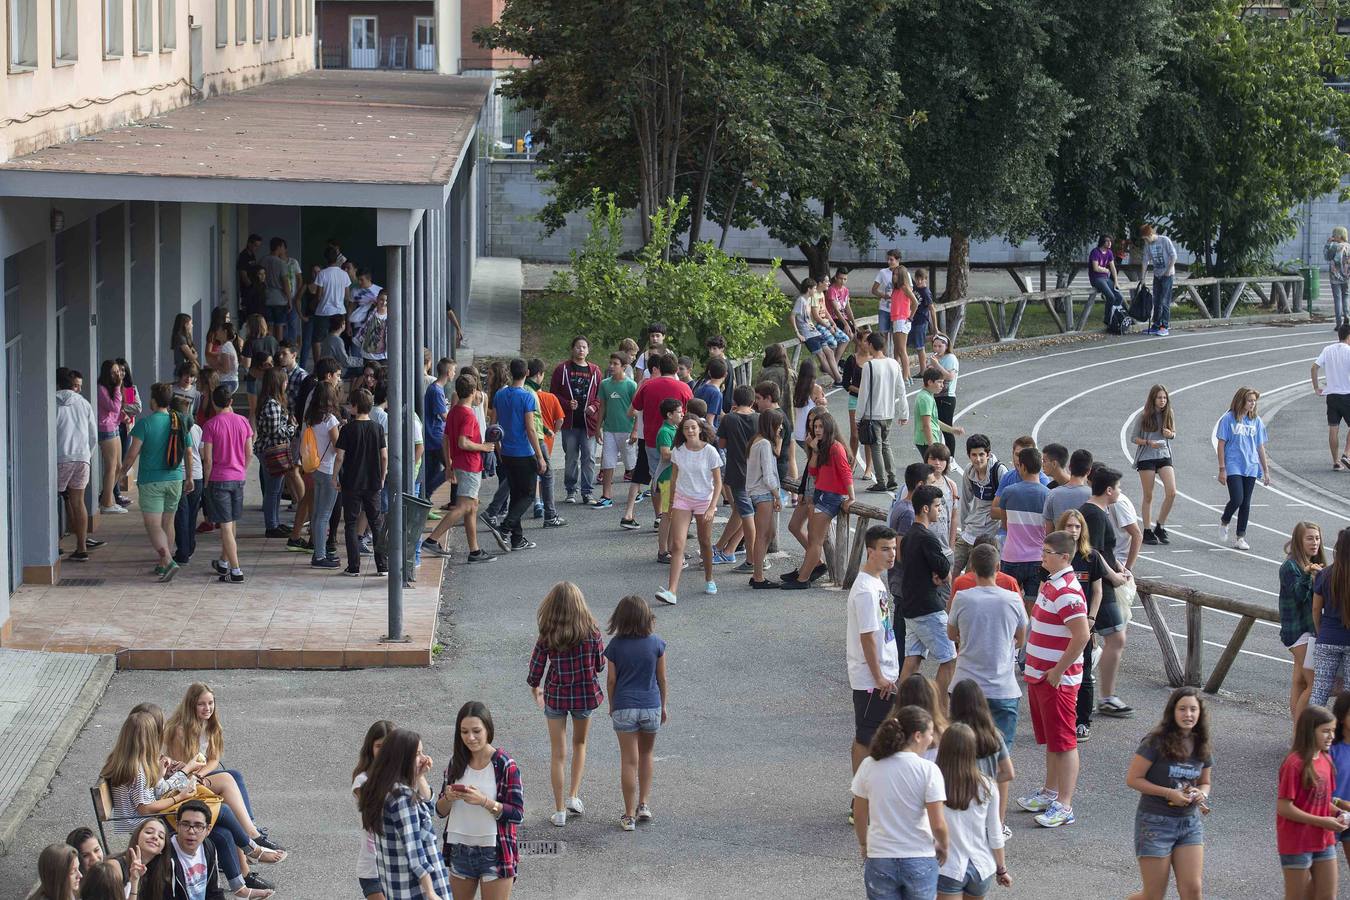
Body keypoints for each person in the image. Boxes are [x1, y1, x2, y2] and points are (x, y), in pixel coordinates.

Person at [1017, 530, 1091, 830]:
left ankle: (1065, 803)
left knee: (1064, 741)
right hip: (1040, 675)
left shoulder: (1068, 591)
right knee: (1051, 738)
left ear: (1064, 556)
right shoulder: (1051, 583)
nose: (1042, 555)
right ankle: (1050, 792)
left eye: (1048, 551)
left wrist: (1058, 670)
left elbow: (1082, 635)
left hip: (1056, 680)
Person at [527, 582, 605, 825]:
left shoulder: (548, 632)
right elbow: (600, 665)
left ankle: (559, 810)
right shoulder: (592, 631)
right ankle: (573, 795)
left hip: (556, 695)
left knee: (557, 753)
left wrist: (535, 689)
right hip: (584, 695)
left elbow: (536, 669)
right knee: (579, 743)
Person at [850, 707, 948, 899]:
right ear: (918, 736)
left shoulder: (869, 765)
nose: (932, 739)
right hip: (919, 856)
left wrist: (864, 843)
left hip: (880, 856)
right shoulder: (928, 770)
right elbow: (938, 823)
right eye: (930, 733)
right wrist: (944, 845)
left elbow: (860, 813)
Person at [1125, 686, 1211, 900]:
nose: (1188, 714)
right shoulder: (1155, 741)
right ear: (1173, 711)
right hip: (1155, 823)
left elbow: (1205, 782)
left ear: (1200, 713)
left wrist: (1202, 794)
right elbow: (1133, 779)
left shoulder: (1201, 744)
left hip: (1189, 824)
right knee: (1153, 895)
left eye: (1193, 709)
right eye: (1182, 709)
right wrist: (1168, 793)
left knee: (1193, 890)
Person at [434, 702, 524, 898]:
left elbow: (517, 814)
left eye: (476, 731)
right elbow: (440, 811)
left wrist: (484, 801)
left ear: (488, 729)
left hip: (494, 851)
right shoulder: (456, 762)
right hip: (459, 849)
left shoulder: (504, 764)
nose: (470, 737)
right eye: (464, 732)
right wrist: (448, 797)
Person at [948, 544, 1027, 749]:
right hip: (1003, 688)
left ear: (972, 568)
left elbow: (951, 633)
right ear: (998, 567)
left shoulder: (962, 598)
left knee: (964, 753)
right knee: (1000, 757)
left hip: (965, 685)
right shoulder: (1012, 599)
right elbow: (1021, 637)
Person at [357, 729, 450, 900]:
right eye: (417, 754)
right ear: (401, 759)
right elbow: (414, 851)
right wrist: (431, 892)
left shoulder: (382, 790)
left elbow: (427, 813)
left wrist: (419, 777)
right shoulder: (403, 798)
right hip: (418, 891)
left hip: (397, 888)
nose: (423, 758)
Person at [117, 383, 194, 582]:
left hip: (152, 481)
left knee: (153, 525)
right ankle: (163, 564)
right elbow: (188, 452)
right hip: (175, 479)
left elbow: (132, 455)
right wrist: (190, 477)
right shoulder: (178, 421)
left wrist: (121, 474)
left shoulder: (145, 424)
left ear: (154, 400)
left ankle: (167, 560)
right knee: (168, 522)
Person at [604, 595, 669, 832]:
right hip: (650, 705)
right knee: (647, 754)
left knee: (628, 761)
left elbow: (611, 680)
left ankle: (628, 815)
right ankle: (644, 804)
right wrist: (663, 705)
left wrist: (612, 704)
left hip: (624, 706)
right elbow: (661, 678)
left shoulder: (615, 646)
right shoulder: (656, 643)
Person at [848, 526, 901, 808]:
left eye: (893, 548)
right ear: (870, 551)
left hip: (883, 674)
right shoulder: (866, 590)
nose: (891, 554)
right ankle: (860, 802)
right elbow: (867, 637)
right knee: (866, 738)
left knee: (880, 736)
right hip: (872, 679)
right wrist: (879, 676)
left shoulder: (876, 582)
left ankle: (872, 796)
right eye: (885, 548)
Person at [422, 374, 500, 562]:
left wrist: (449, 464)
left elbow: (446, 438)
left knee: (471, 507)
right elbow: (463, 442)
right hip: (470, 465)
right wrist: (484, 447)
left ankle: (474, 551)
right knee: (464, 506)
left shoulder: (454, 411)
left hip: (458, 463)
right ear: (473, 392)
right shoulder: (468, 415)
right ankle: (432, 539)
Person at [1277, 706, 1350, 900]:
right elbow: (1284, 807)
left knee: (1328, 895)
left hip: (1323, 839)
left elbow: (1323, 802)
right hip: (1297, 841)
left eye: (1333, 730)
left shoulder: (1326, 759)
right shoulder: (1294, 763)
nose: (1331, 736)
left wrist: (1337, 814)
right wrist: (1322, 821)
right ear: (1310, 731)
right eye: (1325, 731)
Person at [1080, 466, 1135, 719]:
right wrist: (1112, 574)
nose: (1120, 492)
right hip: (1100, 585)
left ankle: (1099, 692)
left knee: (1106, 638)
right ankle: (1105, 696)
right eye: (1119, 487)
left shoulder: (1096, 511)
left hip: (1105, 580)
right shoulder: (1095, 514)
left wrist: (1120, 567)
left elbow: (1105, 551)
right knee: (1115, 637)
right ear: (1109, 490)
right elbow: (1093, 552)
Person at [935, 724, 1011, 899]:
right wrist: (1002, 869)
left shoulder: (935, 782)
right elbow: (995, 832)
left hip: (947, 866)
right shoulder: (988, 785)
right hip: (981, 866)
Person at [656, 415, 723, 604]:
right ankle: (671, 591)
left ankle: (709, 578)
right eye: (686, 428)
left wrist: (712, 507)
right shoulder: (678, 451)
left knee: (705, 541)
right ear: (682, 431)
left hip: (704, 500)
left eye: (693, 427)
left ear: (700, 429)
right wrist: (669, 504)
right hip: (682, 500)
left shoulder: (710, 451)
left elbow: (718, 483)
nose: (690, 431)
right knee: (677, 544)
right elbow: (674, 479)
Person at [782, 412, 853, 590]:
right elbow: (813, 472)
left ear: (829, 428)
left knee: (815, 541)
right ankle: (803, 576)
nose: (817, 430)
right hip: (819, 493)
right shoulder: (823, 447)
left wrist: (851, 497)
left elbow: (846, 472)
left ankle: (803, 579)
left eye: (821, 427)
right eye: (815, 427)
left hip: (830, 497)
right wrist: (814, 450)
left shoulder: (836, 448)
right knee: (813, 538)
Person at [896, 485, 955, 692]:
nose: (940, 510)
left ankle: (900, 706)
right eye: (937, 506)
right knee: (949, 659)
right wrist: (941, 576)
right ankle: (939, 708)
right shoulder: (928, 538)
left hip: (910, 607)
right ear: (925, 509)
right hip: (928, 608)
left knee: (912, 660)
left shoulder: (909, 535)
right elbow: (945, 569)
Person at [948, 680, 1016, 837]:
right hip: (986, 804)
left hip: (959, 802)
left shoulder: (951, 735)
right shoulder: (994, 735)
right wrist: (989, 780)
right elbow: (1009, 773)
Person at [200, 385, 253, 584]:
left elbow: (208, 459)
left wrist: (206, 481)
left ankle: (236, 569)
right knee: (231, 522)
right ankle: (224, 561)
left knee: (225, 525)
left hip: (219, 478)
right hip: (238, 477)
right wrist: (242, 470)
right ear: (231, 402)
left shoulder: (210, 425)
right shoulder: (244, 422)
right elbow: (249, 452)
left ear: (214, 403)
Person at [335, 389, 389, 577]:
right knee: (376, 522)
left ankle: (353, 566)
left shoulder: (347, 429)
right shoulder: (377, 428)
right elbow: (384, 456)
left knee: (350, 523)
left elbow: (340, 457)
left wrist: (335, 477)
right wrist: (382, 476)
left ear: (356, 406)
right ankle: (382, 565)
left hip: (351, 482)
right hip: (373, 482)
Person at [992, 446, 1051, 615]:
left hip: (1012, 557)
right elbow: (1049, 529)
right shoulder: (1048, 494)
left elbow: (1005, 524)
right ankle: (1027, 639)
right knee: (1032, 605)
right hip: (1037, 558)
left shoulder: (1009, 492)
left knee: (1008, 604)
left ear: (1022, 466)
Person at [496, 359, 547, 551]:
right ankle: (505, 527)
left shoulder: (500, 394)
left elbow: (495, 424)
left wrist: (498, 447)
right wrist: (540, 456)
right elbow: (531, 428)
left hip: (506, 451)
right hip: (523, 451)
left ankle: (517, 539)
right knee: (527, 494)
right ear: (527, 373)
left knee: (516, 495)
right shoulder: (528, 397)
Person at [1216, 386, 1271, 551]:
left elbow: (1260, 446)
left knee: (1246, 503)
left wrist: (1266, 470)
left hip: (1251, 466)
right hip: (1233, 464)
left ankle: (1240, 537)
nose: (1252, 404)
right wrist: (1222, 468)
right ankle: (1225, 520)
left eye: (1254, 401)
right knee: (1237, 499)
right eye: (1249, 400)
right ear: (1241, 401)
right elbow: (1221, 444)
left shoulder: (1256, 421)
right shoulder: (1228, 419)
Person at [549, 336, 602, 505]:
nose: (581, 350)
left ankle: (587, 492)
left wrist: (594, 407)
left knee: (589, 457)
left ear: (588, 350)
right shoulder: (562, 369)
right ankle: (571, 490)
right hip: (569, 423)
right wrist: (566, 403)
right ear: (572, 349)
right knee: (571, 457)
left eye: (584, 347)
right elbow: (553, 394)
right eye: (578, 347)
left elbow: (601, 396)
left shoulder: (595, 371)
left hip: (588, 423)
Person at [1281, 522, 1325, 721]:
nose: (1314, 542)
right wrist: (1308, 575)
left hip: (1306, 631)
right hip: (1299, 632)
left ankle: (1296, 729)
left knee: (1299, 682)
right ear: (1299, 540)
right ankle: (1300, 735)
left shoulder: (1316, 565)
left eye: (1317, 538)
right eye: (1309, 538)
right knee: (1314, 684)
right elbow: (1298, 596)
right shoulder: (1289, 566)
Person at [711, 384, 759, 568]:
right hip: (755, 472)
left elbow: (721, 444)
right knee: (739, 511)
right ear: (753, 401)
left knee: (746, 514)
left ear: (734, 401)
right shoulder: (759, 418)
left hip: (736, 471)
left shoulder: (729, 419)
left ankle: (752, 557)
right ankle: (721, 546)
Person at [56, 368, 98, 561]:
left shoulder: (52, 402)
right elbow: (93, 436)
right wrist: (87, 456)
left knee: (53, 501)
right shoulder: (84, 404)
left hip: (59, 458)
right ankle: (81, 547)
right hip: (82, 458)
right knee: (78, 501)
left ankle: (53, 545)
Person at [252, 367, 297, 540]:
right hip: (271, 450)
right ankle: (271, 525)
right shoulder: (272, 405)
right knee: (273, 490)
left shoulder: (271, 402)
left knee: (276, 490)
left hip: (270, 450)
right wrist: (292, 428)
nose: (286, 384)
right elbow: (275, 431)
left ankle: (275, 522)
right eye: (284, 381)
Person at [352, 719, 395, 900]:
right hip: (373, 868)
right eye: (379, 746)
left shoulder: (407, 777)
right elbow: (377, 810)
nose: (384, 752)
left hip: (401, 866)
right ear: (370, 748)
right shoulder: (362, 781)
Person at [858, 332, 906, 493]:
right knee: (886, 445)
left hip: (873, 414)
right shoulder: (893, 363)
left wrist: (858, 416)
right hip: (889, 413)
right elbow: (901, 389)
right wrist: (903, 412)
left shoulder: (869, 366)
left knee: (876, 448)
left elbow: (863, 393)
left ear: (871, 345)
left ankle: (880, 481)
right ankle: (892, 478)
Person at [301, 381, 342, 567]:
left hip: (315, 468)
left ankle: (319, 552)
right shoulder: (330, 420)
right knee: (323, 515)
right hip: (328, 470)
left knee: (317, 514)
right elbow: (337, 446)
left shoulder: (312, 418)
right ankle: (319, 556)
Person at [1133, 384, 1177, 543]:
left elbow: (1174, 433)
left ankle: (1160, 525)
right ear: (1153, 399)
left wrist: (1170, 434)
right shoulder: (1144, 415)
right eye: (1159, 398)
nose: (1162, 400)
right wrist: (1147, 442)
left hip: (1164, 454)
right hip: (1147, 456)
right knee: (1149, 495)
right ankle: (1147, 530)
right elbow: (1134, 438)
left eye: (1164, 398)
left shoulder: (1169, 413)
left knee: (1172, 492)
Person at [745, 408, 784, 588]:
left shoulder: (756, 441)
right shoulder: (765, 444)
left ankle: (758, 572)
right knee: (762, 536)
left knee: (769, 533)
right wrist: (778, 496)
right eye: (779, 424)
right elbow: (768, 476)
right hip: (763, 493)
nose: (781, 427)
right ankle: (758, 576)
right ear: (772, 425)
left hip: (757, 491)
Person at [1311, 527, 1350, 708]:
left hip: (1327, 638)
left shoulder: (1324, 574)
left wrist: (1321, 632)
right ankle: (1345, 734)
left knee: (1319, 691)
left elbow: (1316, 609)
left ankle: (1310, 733)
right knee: (1348, 696)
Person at [595, 351, 638, 514]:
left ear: (624, 366)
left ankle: (637, 491)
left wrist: (635, 430)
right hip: (610, 430)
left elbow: (637, 409)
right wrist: (598, 427)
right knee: (608, 462)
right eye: (610, 363)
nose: (611, 366)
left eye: (615, 364)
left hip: (626, 430)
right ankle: (606, 495)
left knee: (630, 463)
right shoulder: (605, 384)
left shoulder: (631, 385)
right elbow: (603, 407)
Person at [954, 435, 1003, 574]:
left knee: (972, 574)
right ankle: (952, 596)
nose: (978, 459)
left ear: (988, 454)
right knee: (952, 568)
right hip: (970, 530)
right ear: (969, 455)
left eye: (981, 454)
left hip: (989, 533)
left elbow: (1006, 506)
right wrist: (963, 529)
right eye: (974, 455)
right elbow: (965, 501)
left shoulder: (999, 472)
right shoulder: (969, 472)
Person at [1312, 322, 1350, 470]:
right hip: (1347, 394)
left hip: (1331, 395)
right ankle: (1346, 454)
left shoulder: (1328, 349)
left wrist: (1316, 387)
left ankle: (1336, 462)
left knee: (1333, 428)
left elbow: (1314, 367)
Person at [792, 279, 843, 383]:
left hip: (814, 331)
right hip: (807, 334)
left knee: (829, 352)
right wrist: (797, 332)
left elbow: (810, 317)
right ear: (808, 289)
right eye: (814, 288)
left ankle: (838, 377)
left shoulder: (809, 300)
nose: (815, 290)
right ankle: (838, 379)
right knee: (822, 356)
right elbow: (792, 316)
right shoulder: (800, 300)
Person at [96, 360, 130, 514]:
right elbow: (114, 406)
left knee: (118, 466)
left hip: (116, 426)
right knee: (111, 467)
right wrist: (118, 387)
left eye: (120, 371)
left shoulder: (126, 387)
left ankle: (107, 499)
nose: (118, 375)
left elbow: (126, 406)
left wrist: (125, 416)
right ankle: (107, 502)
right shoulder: (102, 388)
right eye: (114, 372)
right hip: (106, 428)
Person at [312, 247, 352, 367]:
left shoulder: (322, 274)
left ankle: (319, 366)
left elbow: (318, 296)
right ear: (337, 258)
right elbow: (347, 296)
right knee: (336, 338)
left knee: (318, 340)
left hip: (323, 312)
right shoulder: (344, 274)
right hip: (339, 311)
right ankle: (334, 366)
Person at [103, 819, 164, 898]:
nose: (155, 837)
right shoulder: (114, 866)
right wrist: (134, 881)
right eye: (149, 832)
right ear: (137, 836)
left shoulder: (157, 874)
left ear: (162, 849)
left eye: (161, 836)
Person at [914, 369, 963, 459]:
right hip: (926, 441)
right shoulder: (925, 399)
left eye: (943, 382)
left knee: (933, 469)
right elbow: (926, 425)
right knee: (932, 469)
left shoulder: (929, 396)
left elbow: (934, 421)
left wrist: (952, 430)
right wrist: (931, 446)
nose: (942, 386)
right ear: (930, 382)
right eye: (939, 382)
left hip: (929, 440)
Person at [423, 358, 453, 500]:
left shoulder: (435, 388)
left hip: (433, 436)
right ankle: (426, 494)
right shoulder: (436, 391)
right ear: (448, 372)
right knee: (451, 467)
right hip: (436, 437)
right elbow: (444, 416)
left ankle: (425, 498)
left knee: (433, 471)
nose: (454, 373)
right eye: (453, 370)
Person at [1140, 223, 1177, 336]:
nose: (1146, 241)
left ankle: (1164, 326)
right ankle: (1156, 325)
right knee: (1156, 301)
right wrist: (1143, 278)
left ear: (1151, 234)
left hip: (1167, 275)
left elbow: (1174, 256)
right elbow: (1145, 261)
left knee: (1165, 301)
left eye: (1146, 238)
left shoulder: (1164, 240)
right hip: (1157, 275)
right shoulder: (1148, 245)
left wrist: (1168, 270)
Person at [1042, 448, 1093, 529]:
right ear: (1089, 471)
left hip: (1059, 540)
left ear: (1070, 467)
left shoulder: (1053, 494)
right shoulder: (1093, 496)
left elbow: (1048, 531)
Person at [927, 334, 959, 456]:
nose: (937, 348)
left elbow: (950, 377)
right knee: (935, 427)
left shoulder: (950, 358)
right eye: (935, 346)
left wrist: (936, 365)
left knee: (947, 429)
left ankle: (951, 457)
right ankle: (939, 455)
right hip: (935, 396)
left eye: (940, 346)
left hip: (947, 397)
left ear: (946, 346)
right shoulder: (934, 358)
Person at [1331, 693, 1350, 870]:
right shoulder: (1331, 749)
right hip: (1329, 817)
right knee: (1320, 879)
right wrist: (1339, 803)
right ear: (1342, 717)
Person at [1089, 234, 1126, 317]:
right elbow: (1095, 268)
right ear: (1102, 242)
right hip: (1096, 278)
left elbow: (1113, 268)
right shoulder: (1095, 252)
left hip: (1106, 278)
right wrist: (1105, 270)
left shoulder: (1109, 252)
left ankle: (1115, 316)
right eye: (1107, 241)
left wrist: (1116, 282)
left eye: (1110, 241)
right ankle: (1108, 318)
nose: (1110, 243)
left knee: (1119, 297)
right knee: (1111, 297)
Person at [908, 270, 936, 377]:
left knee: (920, 346)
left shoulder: (925, 292)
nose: (919, 281)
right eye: (917, 279)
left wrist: (935, 326)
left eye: (921, 279)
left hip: (921, 320)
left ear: (925, 279)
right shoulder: (914, 288)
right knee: (914, 341)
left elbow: (931, 308)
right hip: (912, 319)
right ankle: (934, 338)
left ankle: (923, 370)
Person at [872, 250, 900, 353]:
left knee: (897, 338)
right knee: (883, 337)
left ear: (898, 260)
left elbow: (909, 290)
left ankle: (895, 362)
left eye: (891, 259)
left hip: (897, 310)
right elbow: (874, 290)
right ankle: (884, 358)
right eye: (888, 259)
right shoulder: (883, 272)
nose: (889, 262)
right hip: (884, 309)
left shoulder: (904, 273)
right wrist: (884, 295)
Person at [206, 323, 241, 398]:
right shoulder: (225, 346)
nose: (216, 332)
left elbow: (226, 369)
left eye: (218, 330)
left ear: (224, 332)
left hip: (227, 381)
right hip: (228, 381)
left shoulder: (226, 346)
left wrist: (213, 366)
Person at [1325, 227, 1350, 329]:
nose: (1333, 236)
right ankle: (1347, 317)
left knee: (1337, 299)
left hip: (1335, 276)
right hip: (1347, 276)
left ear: (1338, 235)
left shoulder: (1334, 246)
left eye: (1334, 234)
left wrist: (1328, 244)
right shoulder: (1348, 246)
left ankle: (1339, 323)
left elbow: (1327, 257)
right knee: (1346, 296)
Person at [826, 267, 858, 338]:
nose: (843, 281)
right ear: (836, 278)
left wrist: (854, 323)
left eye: (845, 279)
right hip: (833, 319)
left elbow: (848, 309)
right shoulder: (832, 290)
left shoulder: (846, 290)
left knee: (857, 336)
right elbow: (836, 310)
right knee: (850, 335)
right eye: (840, 278)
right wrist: (846, 324)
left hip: (843, 318)